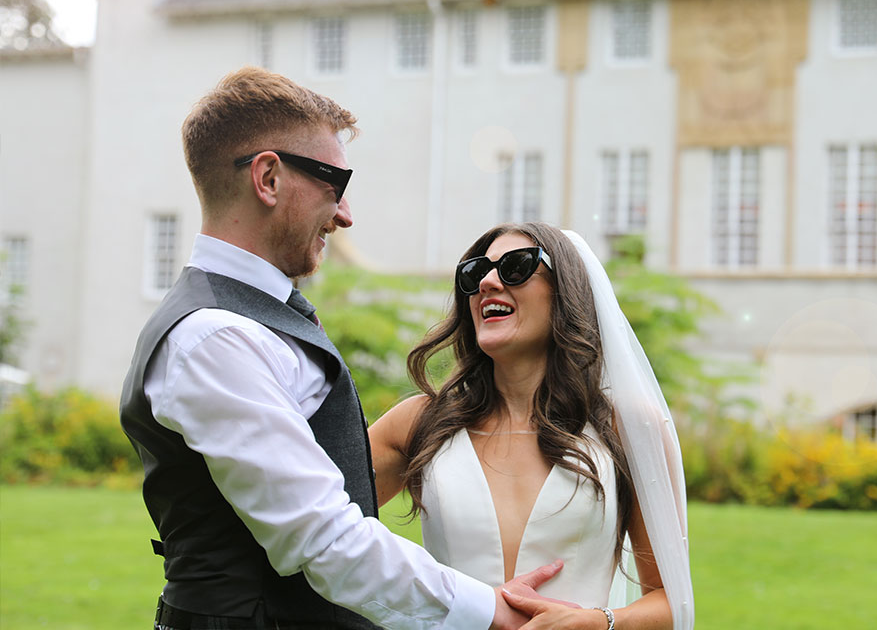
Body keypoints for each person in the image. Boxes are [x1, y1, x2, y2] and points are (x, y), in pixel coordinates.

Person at [119, 67, 561, 630]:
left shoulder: (248, 321)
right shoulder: (218, 336)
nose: (345, 215)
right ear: (269, 178)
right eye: (335, 184)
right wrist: (490, 611)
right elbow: (324, 538)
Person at [370, 222, 694, 630]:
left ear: (566, 292)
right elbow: (317, 525)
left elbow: (672, 604)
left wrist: (597, 622)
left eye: (515, 267)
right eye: (474, 273)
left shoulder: (628, 427)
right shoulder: (417, 424)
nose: (487, 282)